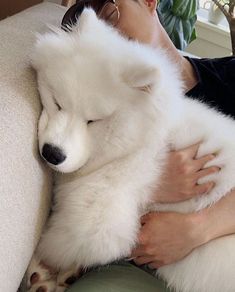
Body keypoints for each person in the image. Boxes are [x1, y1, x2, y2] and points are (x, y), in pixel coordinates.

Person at [61, 0, 235, 291]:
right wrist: (147, 184)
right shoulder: (101, 113)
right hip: (141, 264)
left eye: (111, 13)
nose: (107, 34)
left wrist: (199, 228)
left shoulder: (229, 77)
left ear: (147, 2)